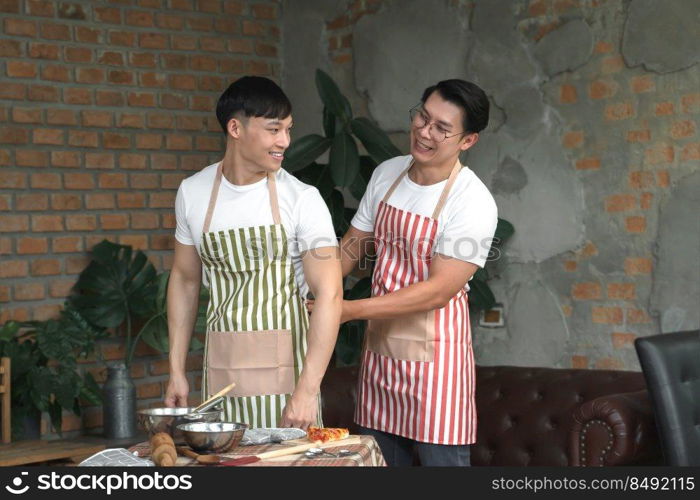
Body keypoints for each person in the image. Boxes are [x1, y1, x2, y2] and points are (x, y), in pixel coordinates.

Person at [315, 79, 497, 465]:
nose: (424, 131)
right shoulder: (387, 174)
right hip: (382, 359)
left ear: (468, 141)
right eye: (422, 116)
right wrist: (318, 291)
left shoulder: (472, 201)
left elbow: (437, 291)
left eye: (441, 128)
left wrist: (347, 310)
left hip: (436, 370)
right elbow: (352, 244)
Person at [164, 76, 342, 430]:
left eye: (288, 130)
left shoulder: (302, 199)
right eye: (274, 130)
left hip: (288, 384)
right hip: (222, 375)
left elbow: (330, 294)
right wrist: (176, 371)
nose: (285, 142)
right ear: (235, 128)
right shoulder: (193, 192)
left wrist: (307, 391)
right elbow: (185, 280)